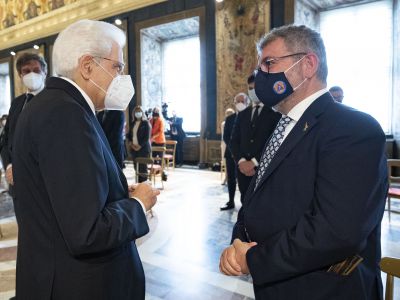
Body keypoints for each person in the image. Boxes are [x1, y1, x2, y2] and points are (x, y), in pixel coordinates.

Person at [219, 25, 387, 300]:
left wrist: (255, 259)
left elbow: (337, 230)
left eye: (269, 63)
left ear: (308, 64)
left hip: (323, 290)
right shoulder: (283, 124)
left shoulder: (353, 128)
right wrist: (239, 242)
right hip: (279, 284)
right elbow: (261, 193)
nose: (261, 75)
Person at [12, 20, 159, 300]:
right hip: (80, 285)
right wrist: (138, 204)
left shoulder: (53, 106)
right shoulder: (65, 115)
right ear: (88, 67)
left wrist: (112, 193)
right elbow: (87, 231)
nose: (121, 75)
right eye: (117, 66)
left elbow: (65, 197)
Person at [0, 53, 47, 199]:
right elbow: (6, 139)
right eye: (26, 71)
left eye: (36, 70)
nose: (31, 74)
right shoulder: (17, 103)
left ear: (44, 72)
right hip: (17, 182)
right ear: (20, 75)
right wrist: (9, 166)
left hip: (44, 181)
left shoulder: (54, 101)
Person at [230, 76, 280, 205]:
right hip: (242, 171)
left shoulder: (275, 114)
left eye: (257, 87)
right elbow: (234, 141)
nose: (253, 91)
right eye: (250, 88)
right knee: (244, 203)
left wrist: (253, 162)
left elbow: (274, 143)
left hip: (263, 170)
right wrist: (241, 161)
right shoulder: (242, 114)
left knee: (261, 206)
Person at [127, 106, 151, 183]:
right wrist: (130, 143)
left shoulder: (146, 123)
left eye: (139, 111)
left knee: (143, 168)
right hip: (134, 149)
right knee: (136, 168)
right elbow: (129, 135)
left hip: (143, 149)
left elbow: (146, 137)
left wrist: (139, 146)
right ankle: (138, 185)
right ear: (134, 113)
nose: (138, 113)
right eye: (136, 112)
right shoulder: (133, 123)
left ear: (142, 113)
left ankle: (144, 186)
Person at [220, 107, 237, 211]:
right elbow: (226, 137)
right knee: (231, 179)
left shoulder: (247, 117)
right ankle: (231, 201)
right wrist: (234, 150)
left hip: (245, 155)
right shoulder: (230, 119)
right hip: (230, 152)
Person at [149, 106, 167, 180]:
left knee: (159, 157)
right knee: (152, 156)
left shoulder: (161, 120)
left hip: (160, 141)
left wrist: (153, 137)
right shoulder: (151, 120)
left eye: (156, 112)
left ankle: (161, 172)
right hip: (153, 141)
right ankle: (154, 170)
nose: (155, 116)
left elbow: (160, 131)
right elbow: (149, 129)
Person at [220, 108, 235, 185]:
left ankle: (235, 179)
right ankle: (226, 178)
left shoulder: (236, 122)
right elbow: (223, 136)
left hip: (234, 145)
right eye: (227, 114)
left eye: (230, 114)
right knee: (226, 162)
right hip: (225, 145)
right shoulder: (223, 124)